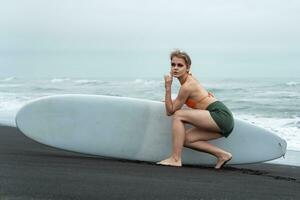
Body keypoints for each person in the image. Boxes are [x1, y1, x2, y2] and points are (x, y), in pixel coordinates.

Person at [157, 50, 234, 169]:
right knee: (186, 140)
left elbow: (170, 111)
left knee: (178, 115)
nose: (175, 68)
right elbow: (185, 100)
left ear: (187, 68)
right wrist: (171, 101)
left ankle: (175, 159)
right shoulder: (188, 82)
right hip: (221, 119)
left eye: (180, 65)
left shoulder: (187, 86)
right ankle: (222, 155)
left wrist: (168, 87)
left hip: (220, 115)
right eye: (173, 65)